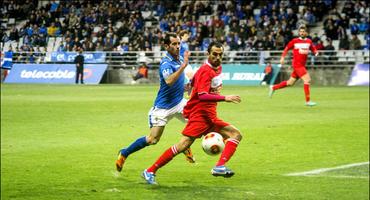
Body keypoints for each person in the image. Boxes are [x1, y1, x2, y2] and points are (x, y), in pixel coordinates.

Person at [142, 41, 243, 185]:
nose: (218, 57)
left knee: (235, 134)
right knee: (182, 146)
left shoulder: (216, 68)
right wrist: (225, 98)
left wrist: (190, 85)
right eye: (214, 54)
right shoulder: (206, 71)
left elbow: (195, 80)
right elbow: (202, 95)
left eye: (220, 54)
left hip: (210, 115)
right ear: (208, 54)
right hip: (200, 116)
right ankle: (150, 170)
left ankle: (219, 166)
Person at [115, 32, 195, 173]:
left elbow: (179, 83)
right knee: (153, 139)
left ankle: (184, 146)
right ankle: (124, 153)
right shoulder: (165, 63)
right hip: (163, 108)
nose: (177, 46)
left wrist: (187, 86)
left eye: (178, 44)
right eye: (174, 44)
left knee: (197, 122)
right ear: (166, 46)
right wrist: (183, 67)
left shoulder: (179, 59)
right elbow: (169, 81)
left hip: (179, 103)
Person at [269, 26, 319, 106]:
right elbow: (286, 48)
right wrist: (282, 57)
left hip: (302, 65)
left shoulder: (309, 41)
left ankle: (273, 87)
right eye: (300, 31)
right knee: (307, 80)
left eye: (303, 31)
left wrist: (316, 52)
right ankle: (308, 101)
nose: (302, 33)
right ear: (299, 32)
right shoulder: (295, 41)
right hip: (297, 65)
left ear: (306, 33)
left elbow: (313, 48)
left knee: (290, 83)